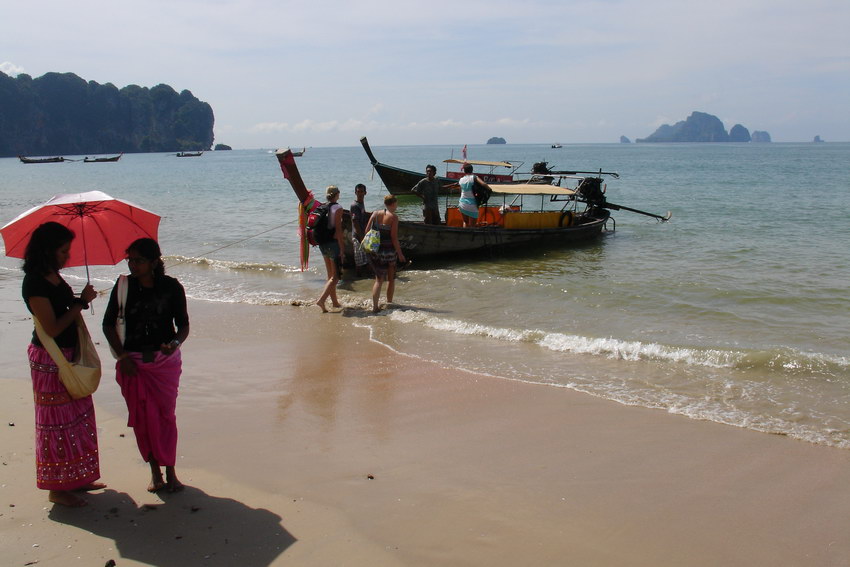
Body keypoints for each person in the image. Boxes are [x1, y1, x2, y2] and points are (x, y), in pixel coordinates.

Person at [21, 221, 104, 507]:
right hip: (49, 358)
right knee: (56, 424)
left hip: (69, 353)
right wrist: (80, 303)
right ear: (47, 251)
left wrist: (80, 299)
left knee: (78, 417)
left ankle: (78, 478)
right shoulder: (34, 282)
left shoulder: (52, 275)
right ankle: (57, 488)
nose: (66, 257)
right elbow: (53, 327)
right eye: (62, 251)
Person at [102, 238, 189, 493]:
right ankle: (154, 472)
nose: (132, 264)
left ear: (153, 262)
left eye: (138, 260)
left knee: (165, 417)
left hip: (164, 363)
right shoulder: (123, 286)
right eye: (129, 259)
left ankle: (171, 472)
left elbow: (183, 326)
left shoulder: (171, 287)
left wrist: (174, 343)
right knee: (142, 420)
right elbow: (108, 325)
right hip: (133, 363)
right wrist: (122, 357)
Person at [364, 195, 406, 313]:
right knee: (391, 279)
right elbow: (394, 238)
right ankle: (389, 303)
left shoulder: (375, 214)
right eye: (396, 204)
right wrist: (400, 253)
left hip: (376, 250)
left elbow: (367, 231)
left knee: (378, 279)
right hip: (389, 251)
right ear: (393, 204)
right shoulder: (394, 218)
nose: (396, 206)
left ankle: (375, 307)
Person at [316, 185, 345, 312]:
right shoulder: (338, 208)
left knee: (330, 276)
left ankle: (334, 302)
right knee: (336, 276)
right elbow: (338, 229)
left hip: (322, 242)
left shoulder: (322, 207)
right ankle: (321, 300)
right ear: (337, 194)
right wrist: (342, 248)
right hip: (332, 243)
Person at [349, 183, 370, 277]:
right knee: (359, 262)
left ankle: (365, 279)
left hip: (362, 235)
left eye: (362, 192)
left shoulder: (361, 204)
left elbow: (363, 214)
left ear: (365, 193)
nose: (360, 194)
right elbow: (355, 222)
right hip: (357, 237)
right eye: (358, 192)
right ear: (355, 193)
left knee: (365, 259)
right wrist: (362, 238)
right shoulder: (354, 205)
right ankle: (359, 278)